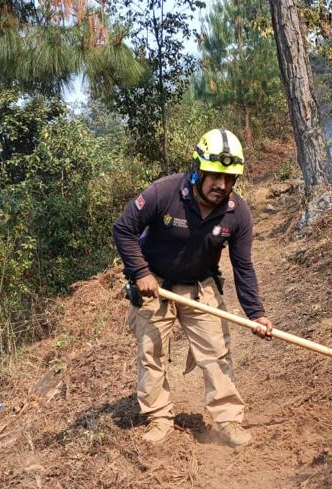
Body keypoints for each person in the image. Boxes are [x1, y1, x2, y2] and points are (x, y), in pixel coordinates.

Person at [113, 128, 274, 447]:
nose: (222, 185)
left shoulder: (237, 213)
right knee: (152, 352)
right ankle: (159, 417)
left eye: (230, 179)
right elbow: (124, 229)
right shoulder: (165, 192)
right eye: (215, 176)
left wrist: (257, 314)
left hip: (201, 286)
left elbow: (243, 266)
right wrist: (141, 272)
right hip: (154, 286)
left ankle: (228, 420)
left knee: (216, 352)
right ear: (198, 168)